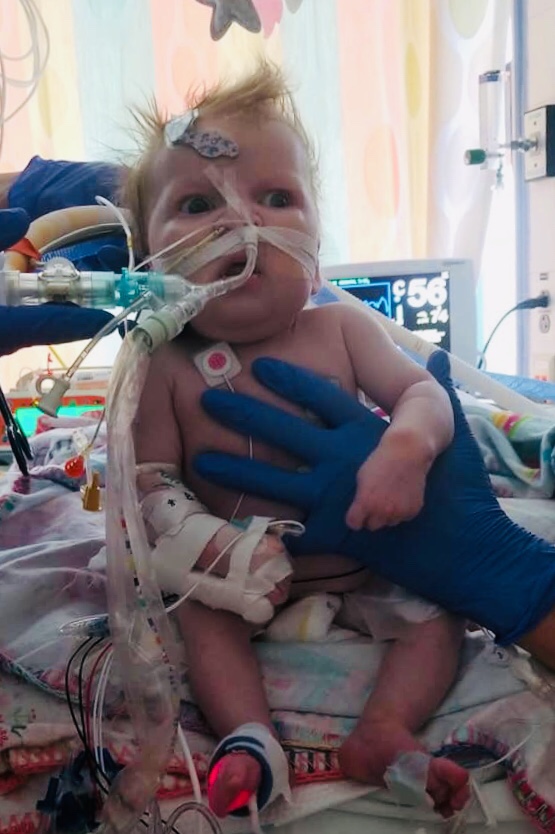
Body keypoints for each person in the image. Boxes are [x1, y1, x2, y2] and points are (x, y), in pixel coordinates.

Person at [129, 61, 469, 820]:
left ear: (316, 240)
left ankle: (383, 730)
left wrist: (404, 451)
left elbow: (424, 396)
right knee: (199, 619)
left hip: (364, 560)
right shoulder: (163, 365)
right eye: (196, 204)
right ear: (144, 262)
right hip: (238, 582)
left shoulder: (343, 329)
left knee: (438, 613)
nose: (239, 220)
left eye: (276, 198)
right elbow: (149, 482)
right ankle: (249, 736)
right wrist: (212, 545)